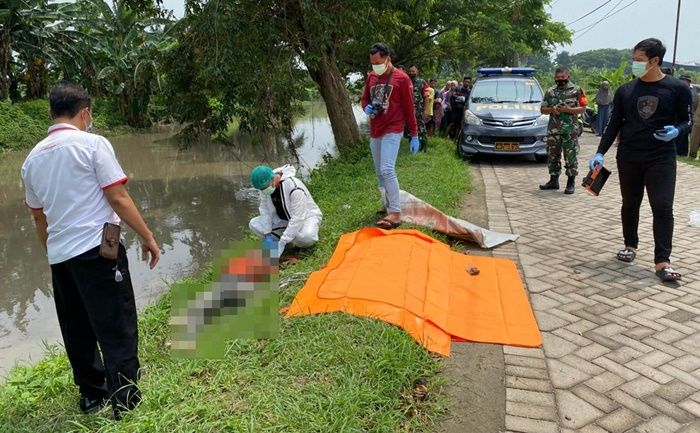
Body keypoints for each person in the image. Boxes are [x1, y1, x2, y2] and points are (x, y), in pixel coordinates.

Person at [20, 82, 160, 419]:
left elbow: (40, 219)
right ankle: (126, 400)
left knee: (77, 329)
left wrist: (52, 251)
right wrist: (148, 237)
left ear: (52, 113)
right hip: (98, 251)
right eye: (90, 114)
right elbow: (117, 197)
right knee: (115, 322)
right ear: (85, 112)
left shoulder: (31, 160)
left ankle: (92, 395)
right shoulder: (92, 145)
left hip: (61, 257)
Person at [589, 38, 693, 282]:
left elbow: (687, 121)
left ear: (655, 61)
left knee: (663, 207)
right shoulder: (626, 90)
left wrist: (677, 132)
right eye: (633, 60)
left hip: (661, 158)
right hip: (629, 156)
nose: (634, 64)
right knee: (630, 203)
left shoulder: (678, 89)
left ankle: (662, 261)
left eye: (638, 60)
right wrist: (600, 152)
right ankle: (630, 246)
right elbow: (614, 124)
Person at [361, 42, 419, 229]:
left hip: (393, 128)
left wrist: (414, 133)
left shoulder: (402, 79)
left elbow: (409, 109)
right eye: (372, 63)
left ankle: (395, 213)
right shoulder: (371, 77)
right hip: (376, 129)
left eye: (378, 62)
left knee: (387, 169)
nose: (375, 66)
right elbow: (365, 99)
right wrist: (366, 107)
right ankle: (387, 204)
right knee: (379, 173)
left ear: (388, 58)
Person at [249, 164, 322, 256]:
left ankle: (294, 244)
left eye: (265, 188)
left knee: (307, 237)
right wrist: (267, 234)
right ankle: (288, 243)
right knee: (254, 224)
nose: (264, 191)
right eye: (261, 189)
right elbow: (265, 211)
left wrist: (283, 241)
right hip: (284, 220)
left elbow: (297, 218)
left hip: (305, 218)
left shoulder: (294, 188)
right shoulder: (266, 187)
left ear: (273, 178)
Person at [539, 67, 588, 194]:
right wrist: (552, 109)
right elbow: (542, 109)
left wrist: (568, 110)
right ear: (555, 78)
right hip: (553, 130)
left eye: (563, 77)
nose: (560, 80)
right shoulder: (550, 91)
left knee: (570, 157)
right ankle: (553, 181)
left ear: (568, 77)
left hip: (570, 130)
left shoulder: (577, 90)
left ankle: (570, 183)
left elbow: (583, 108)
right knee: (552, 156)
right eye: (558, 78)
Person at [407, 65, 430, 152]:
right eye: (410, 71)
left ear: (417, 72)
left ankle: (423, 148)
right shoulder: (406, 81)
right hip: (408, 110)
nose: (411, 73)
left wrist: (426, 110)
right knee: (410, 128)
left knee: (421, 128)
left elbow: (426, 97)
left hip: (419, 110)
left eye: (413, 71)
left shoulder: (422, 82)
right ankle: (412, 147)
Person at [689, 88, 700, 159]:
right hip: (698, 120)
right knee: (694, 139)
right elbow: (694, 105)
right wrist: (695, 116)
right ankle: (692, 155)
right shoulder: (699, 96)